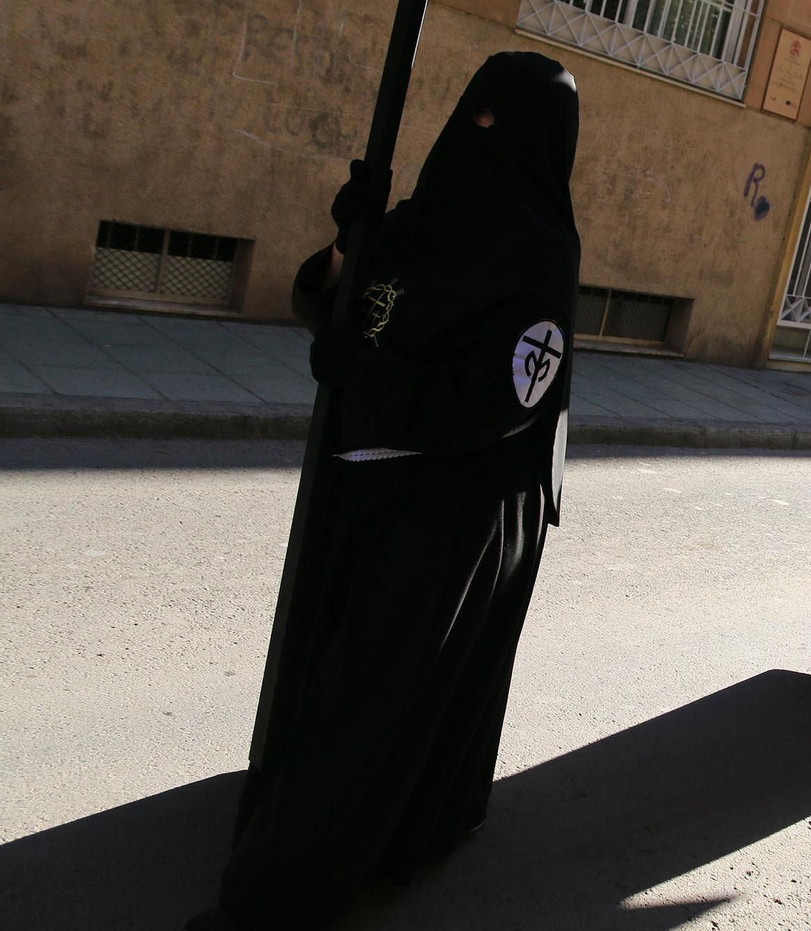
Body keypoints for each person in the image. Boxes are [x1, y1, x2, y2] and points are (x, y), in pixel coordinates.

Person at [187, 52, 581, 931]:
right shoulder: (422, 219)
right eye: (467, 112)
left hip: (458, 508)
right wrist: (343, 249)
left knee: (368, 703)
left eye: (497, 121)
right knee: (330, 676)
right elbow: (337, 307)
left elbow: (498, 397)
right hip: (365, 481)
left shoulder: (539, 256)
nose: (472, 132)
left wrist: (361, 380)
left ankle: (277, 898)